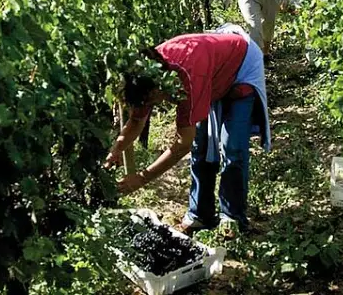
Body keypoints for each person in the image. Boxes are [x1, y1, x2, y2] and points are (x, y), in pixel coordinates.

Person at [105, 24, 271, 236]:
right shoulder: (144, 75)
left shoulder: (187, 78)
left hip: (242, 65)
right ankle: (201, 215)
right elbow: (137, 121)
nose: (151, 104)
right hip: (212, 68)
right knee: (201, 146)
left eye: (151, 100)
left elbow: (182, 143)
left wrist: (142, 178)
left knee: (233, 148)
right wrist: (116, 149)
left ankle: (233, 218)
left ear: (159, 87)